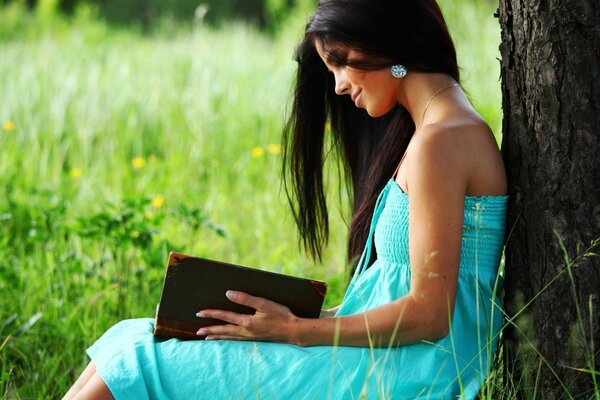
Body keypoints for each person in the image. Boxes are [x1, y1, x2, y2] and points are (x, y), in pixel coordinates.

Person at [64, 0, 507, 398]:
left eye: (339, 63)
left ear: (384, 44)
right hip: (385, 355)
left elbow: (430, 314)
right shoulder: (435, 135)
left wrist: (298, 330)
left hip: (404, 369)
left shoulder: (441, 143)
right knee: (133, 340)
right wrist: (264, 319)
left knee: (138, 362)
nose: (336, 85)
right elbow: (395, 295)